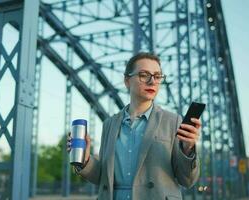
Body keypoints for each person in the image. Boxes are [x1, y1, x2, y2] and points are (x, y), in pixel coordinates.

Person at [67, 52, 201, 200]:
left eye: (157, 76)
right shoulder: (109, 125)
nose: (152, 82)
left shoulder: (173, 121)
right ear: (127, 81)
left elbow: (187, 180)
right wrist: (85, 159)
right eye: (144, 75)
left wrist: (188, 150)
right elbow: (103, 178)